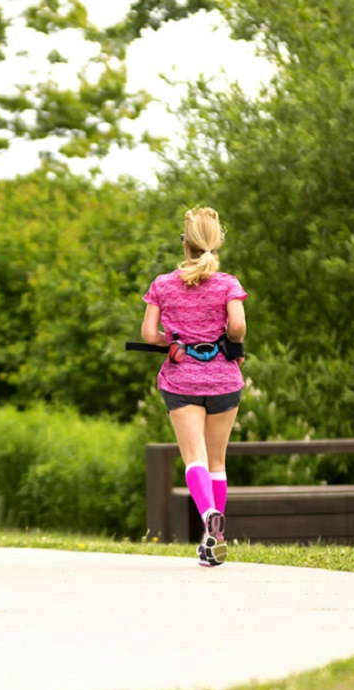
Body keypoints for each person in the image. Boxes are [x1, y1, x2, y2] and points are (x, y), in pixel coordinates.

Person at [141, 206, 247, 567]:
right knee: (218, 459)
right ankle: (216, 537)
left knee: (194, 458)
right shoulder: (228, 284)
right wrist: (226, 338)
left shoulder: (162, 284)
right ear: (216, 242)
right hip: (224, 379)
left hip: (181, 378)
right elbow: (238, 328)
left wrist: (169, 340)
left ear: (184, 243)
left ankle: (208, 521)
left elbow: (147, 335)